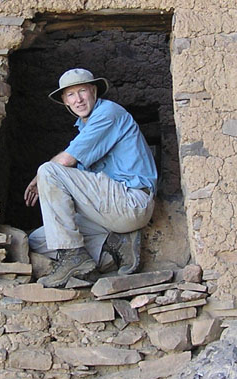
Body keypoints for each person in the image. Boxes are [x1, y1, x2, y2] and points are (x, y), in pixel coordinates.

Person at [25, 67, 158, 288]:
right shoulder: (84, 128)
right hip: (107, 212)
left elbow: (65, 162)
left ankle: (72, 257)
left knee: (48, 170)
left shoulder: (108, 113)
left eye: (82, 91)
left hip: (131, 201)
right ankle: (114, 245)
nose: (77, 99)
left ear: (94, 91)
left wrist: (40, 178)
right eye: (70, 94)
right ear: (65, 101)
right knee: (38, 240)